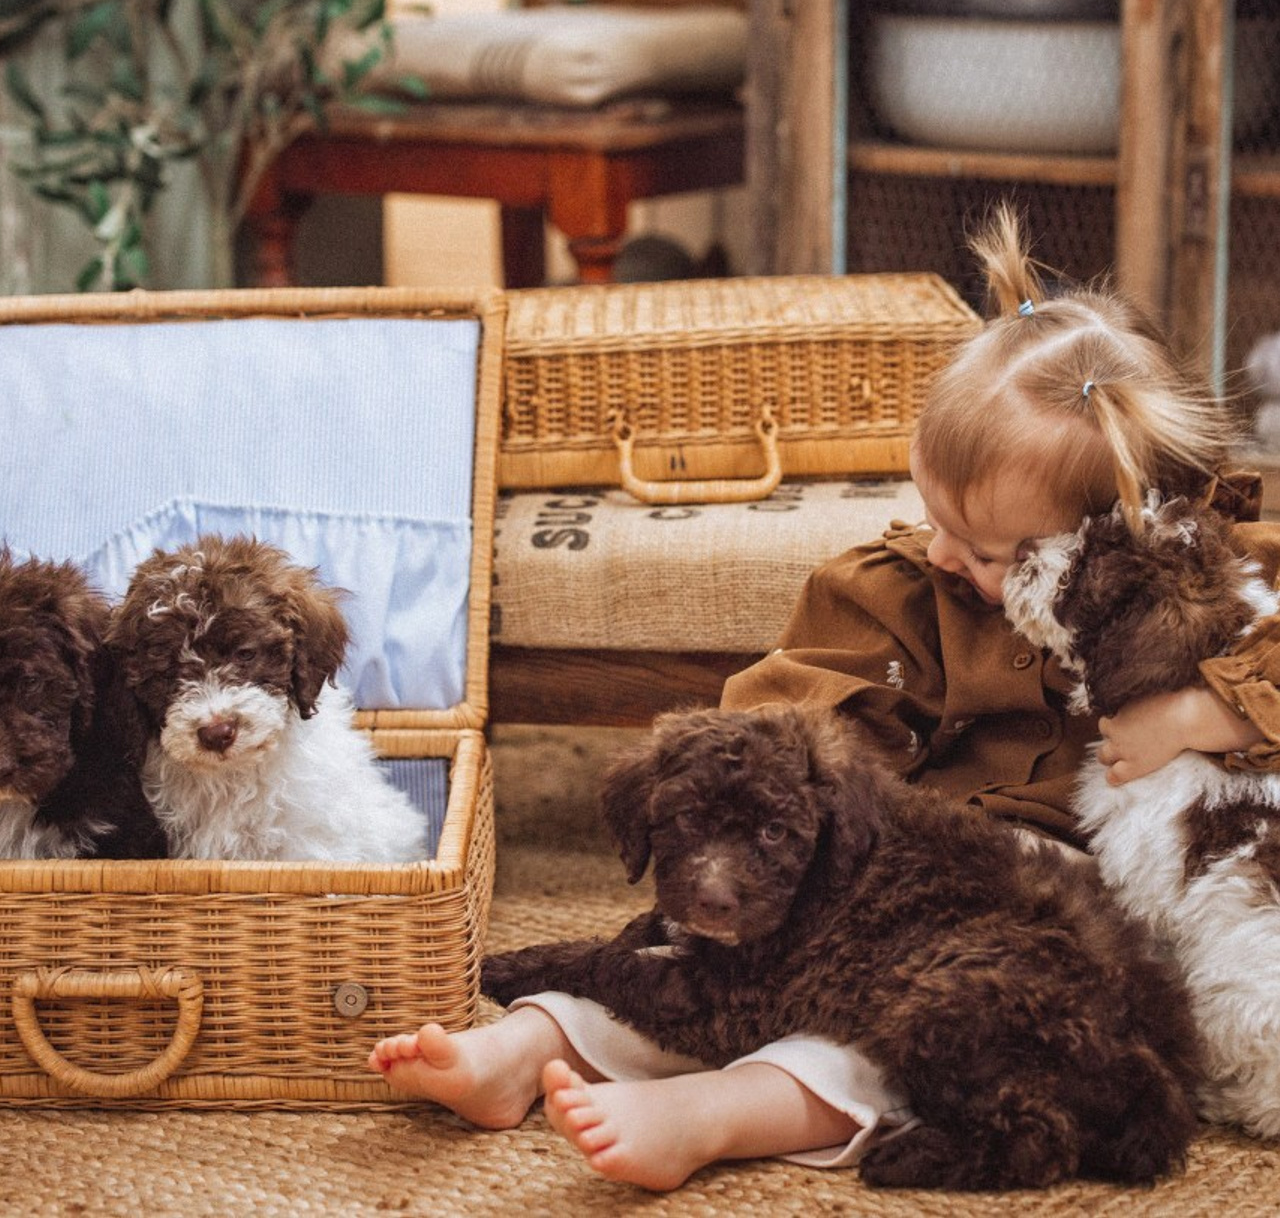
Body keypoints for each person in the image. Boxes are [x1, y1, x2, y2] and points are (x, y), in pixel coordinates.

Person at [369, 204, 1280, 1190]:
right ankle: (528, 1044)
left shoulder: (1198, 586)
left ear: (1108, 541)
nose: (942, 556)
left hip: (1037, 920)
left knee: (897, 1030)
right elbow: (777, 731)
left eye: (984, 552)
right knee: (695, 952)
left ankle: (715, 1112)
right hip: (874, 879)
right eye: (931, 515)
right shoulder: (885, 592)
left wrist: (1205, 711)